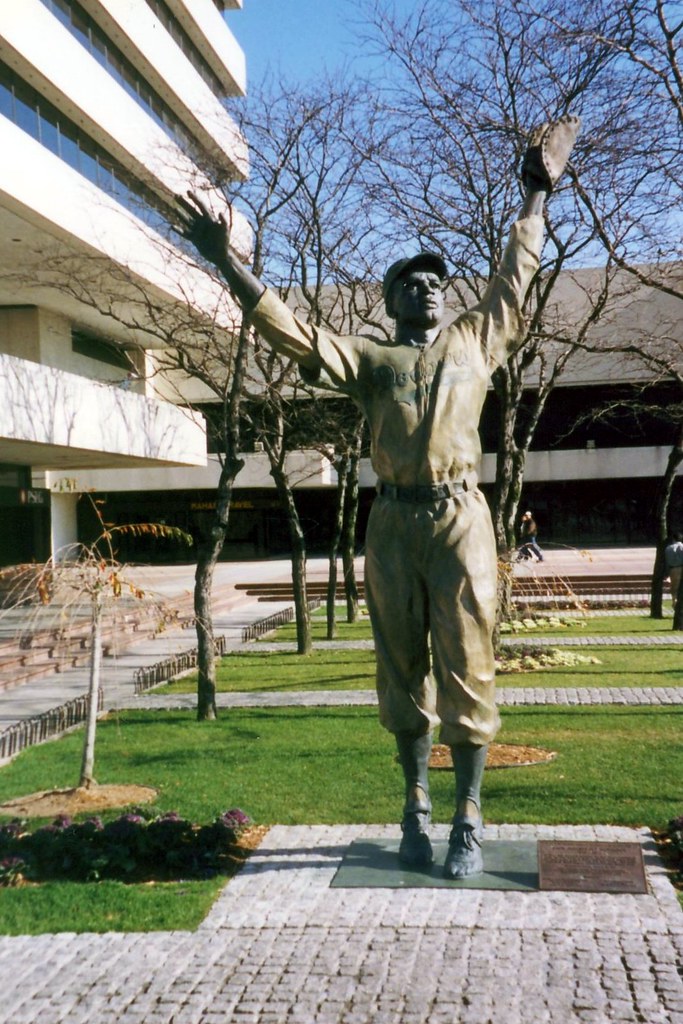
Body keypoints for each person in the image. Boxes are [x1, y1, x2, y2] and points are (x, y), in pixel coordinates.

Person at [176, 114, 580, 878]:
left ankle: (468, 814)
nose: (427, 289)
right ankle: (414, 807)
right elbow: (294, 334)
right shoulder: (368, 358)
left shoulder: (473, 342)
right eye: (411, 283)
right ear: (391, 301)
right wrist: (227, 262)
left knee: (468, 661)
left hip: (461, 517)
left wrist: (535, 196)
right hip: (393, 521)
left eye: (435, 281)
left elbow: (513, 277)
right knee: (399, 669)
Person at [664, 533, 683, 606]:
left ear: (673, 539)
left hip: (673, 569)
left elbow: (666, 561)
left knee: (674, 588)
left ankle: (674, 602)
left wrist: (666, 573)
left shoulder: (668, 548)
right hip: (681, 567)